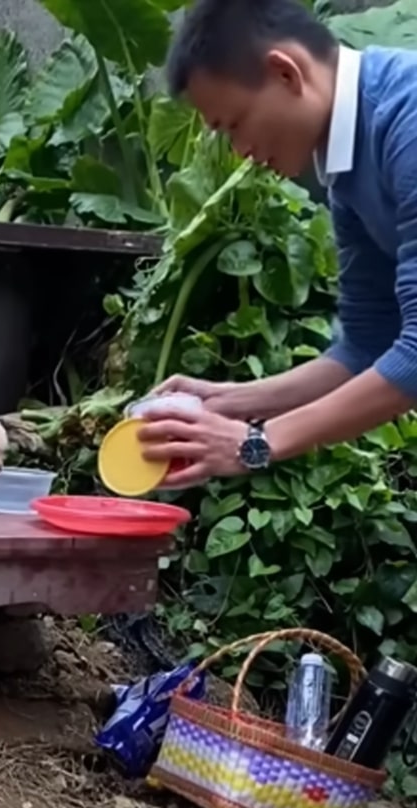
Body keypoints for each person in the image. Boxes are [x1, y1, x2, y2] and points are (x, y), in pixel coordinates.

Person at [137, 0, 417, 488]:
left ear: (286, 73)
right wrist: (228, 401)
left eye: (234, 124)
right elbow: (367, 346)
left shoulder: (407, 121)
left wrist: (255, 444)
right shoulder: (348, 164)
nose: (240, 151)